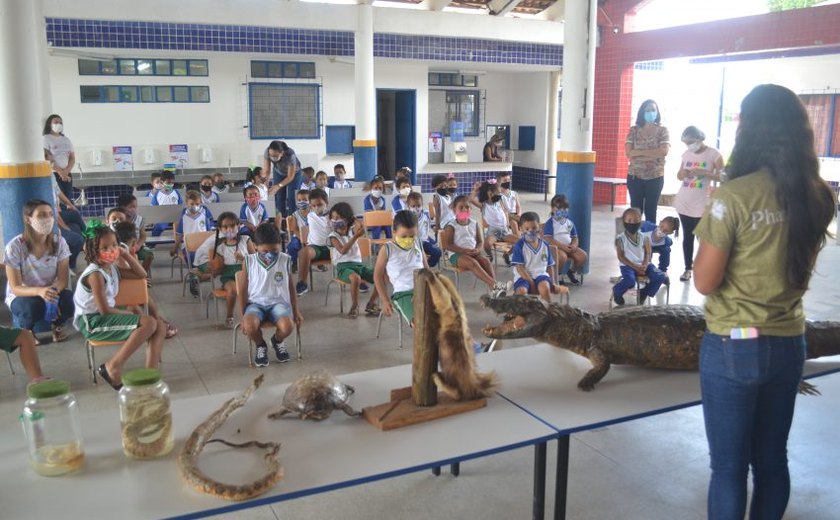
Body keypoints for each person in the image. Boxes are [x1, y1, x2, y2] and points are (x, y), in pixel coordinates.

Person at [692, 84, 836, 520]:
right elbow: (801, 272)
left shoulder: (733, 198)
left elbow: (703, 281)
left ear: (749, 130)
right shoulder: (817, 195)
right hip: (789, 341)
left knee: (729, 468)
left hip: (735, 342)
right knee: (772, 462)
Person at [73, 221, 166, 390]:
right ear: (94, 250)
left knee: (159, 326)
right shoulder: (95, 274)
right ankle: (112, 366)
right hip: (92, 322)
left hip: (104, 318)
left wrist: (125, 254)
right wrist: (130, 316)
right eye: (105, 247)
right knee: (149, 322)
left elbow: (142, 274)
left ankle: (150, 376)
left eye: (115, 245)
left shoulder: (112, 268)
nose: (111, 250)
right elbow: (104, 310)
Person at [4, 200, 75, 343]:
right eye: (41, 215)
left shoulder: (59, 243)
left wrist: (52, 292)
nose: (48, 219)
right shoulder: (15, 246)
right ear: (28, 219)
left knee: (70, 300)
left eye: (50, 214)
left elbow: (62, 279)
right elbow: (16, 288)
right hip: (24, 295)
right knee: (30, 307)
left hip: (51, 290)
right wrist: (40, 292)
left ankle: (58, 326)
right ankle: (28, 331)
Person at [237, 222, 302, 367]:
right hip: (255, 303)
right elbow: (242, 291)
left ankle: (277, 340)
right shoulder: (249, 261)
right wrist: (242, 316)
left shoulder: (285, 260)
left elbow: (291, 287)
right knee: (249, 326)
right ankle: (261, 345)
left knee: (287, 327)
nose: (270, 254)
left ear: (280, 244)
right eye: (265, 250)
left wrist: (296, 311)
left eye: (274, 250)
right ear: (255, 246)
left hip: (278, 303)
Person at [673, 126, 724, 282]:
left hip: (702, 202)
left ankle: (706, 268)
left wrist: (705, 173)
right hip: (685, 200)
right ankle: (688, 268)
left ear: (699, 139)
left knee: (702, 237)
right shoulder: (686, 154)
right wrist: (683, 173)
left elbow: (723, 177)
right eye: (686, 143)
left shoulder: (713, 154)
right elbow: (679, 176)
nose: (689, 145)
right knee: (687, 236)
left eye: (691, 142)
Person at [113, 221, 178, 339]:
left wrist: (134, 258)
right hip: (118, 301)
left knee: (142, 292)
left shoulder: (125, 253)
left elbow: (136, 275)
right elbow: (139, 275)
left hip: (123, 296)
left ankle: (156, 319)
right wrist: (140, 282)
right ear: (133, 242)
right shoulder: (121, 257)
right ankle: (155, 322)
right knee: (139, 299)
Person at [193, 212, 255, 329]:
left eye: (232, 226)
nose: (229, 229)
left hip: (246, 275)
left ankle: (249, 317)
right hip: (229, 276)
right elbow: (219, 269)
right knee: (232, 290)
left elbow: (256, 260)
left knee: (246, 291)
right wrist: (204, 273)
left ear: (238, 226)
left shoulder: (246, 240)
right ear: (220, 229)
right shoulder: (220, 247)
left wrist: (243, 259)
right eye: (225, 227)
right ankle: (229, 317)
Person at [440, 195, 508, 297]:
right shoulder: (451, 225)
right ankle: (494, 285)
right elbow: (448, 245)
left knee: (486, 261)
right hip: (456, 255)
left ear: (471, 209)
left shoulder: (474, 223)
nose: (464, 209)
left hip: (473, 252)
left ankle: (494, 290)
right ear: (454, 210)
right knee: (473, 263)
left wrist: (478, 249)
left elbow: (480, 241)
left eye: (467, 207)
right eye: (461, 207)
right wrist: (464, 251)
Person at [327, 202, 381, 319]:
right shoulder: (333, 236)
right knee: (355, 278)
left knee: (380, 277)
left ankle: (371, 304)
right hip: (343, 267)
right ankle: (355, 306)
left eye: (338, 218)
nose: (335, 221)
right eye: (333, 218)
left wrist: (354, 220)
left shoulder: (351, 230)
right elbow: (342, 251)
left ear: (346, 219)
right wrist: (356, 237)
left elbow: (360, 224)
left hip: (358, 265)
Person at [374, 209, 428, 323]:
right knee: (420, 323)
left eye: (412, 235)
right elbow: (378, 276)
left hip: (424, 288)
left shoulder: (418, 243)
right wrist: (385, 300)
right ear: (394, 232)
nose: (408, 240)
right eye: (403, 236)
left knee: (446, 316)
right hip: (403, 293)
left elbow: (427, 270)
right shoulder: (387, 249)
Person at [625, 99, 670, 222]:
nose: (651, 113)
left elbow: (663, 151)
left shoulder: (662, 131)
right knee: (635, 211)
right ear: (642, 112)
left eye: (653, 110)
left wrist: (639, 153)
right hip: (635, 177)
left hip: (655, 178)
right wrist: (653, 155)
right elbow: (629, 153)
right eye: (647, 110)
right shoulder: (633, 130)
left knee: (651, 211)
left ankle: (650, 239)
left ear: (657, 112)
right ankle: (635, 239)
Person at [612, 207, 666, 306]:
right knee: (630, 281)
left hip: (644, 265)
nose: (633, 223)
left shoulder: (645, 237)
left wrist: (644, 265)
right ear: (624, 222)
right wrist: (635, 267)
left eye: (636, 220)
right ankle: (617, 291)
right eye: (629, 220)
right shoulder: (621, 239)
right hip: (627, 266)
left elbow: (648, 253)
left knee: (660, 276)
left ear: (640, 222)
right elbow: (621, 257)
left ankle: (644, 293)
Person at [470, 180, 519, 265]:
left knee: (520, 241)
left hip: (504, 231)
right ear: (490, 193)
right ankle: (490, 256)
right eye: (498, 193)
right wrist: (476, 190)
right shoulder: (484, 205)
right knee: (487, 244)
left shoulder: (500, 201)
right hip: (493, 233)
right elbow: (471, 199)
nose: (500, 195)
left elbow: (506, 212)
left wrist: (507, 223)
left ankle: (507, 254)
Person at [543, 194, 587, 286]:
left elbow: (575, 237)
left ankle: (571, 272)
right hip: (555, 248)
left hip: (568, 247)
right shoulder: (550, 223)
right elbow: (548, 238)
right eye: (558, 209)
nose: (561, 212)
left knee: (583, 256)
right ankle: (557, 276)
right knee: (562, 257)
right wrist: (563, 247)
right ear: (552, 209)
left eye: (564, 209)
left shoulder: (569, 222)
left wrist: (574, 245)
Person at [511, 212, 556, 302]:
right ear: (521, 229)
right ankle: (521, 313)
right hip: (523, 277)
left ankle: (548, 311)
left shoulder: (545, 245)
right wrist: (532, 283)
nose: (531, 231)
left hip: (541, 275)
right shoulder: (519, 246)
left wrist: (552, 283)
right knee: (522, 292)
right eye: (527, 228)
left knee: (545, 288)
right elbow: (520, 268)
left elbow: (550, 267)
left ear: (539, 228)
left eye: (534, 228)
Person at [296, 188, 330, 296]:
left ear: (326, 203)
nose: (316, 208)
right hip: (316, 248)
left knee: (350, 249)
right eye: (313, 206)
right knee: (304, 252)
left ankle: (359, 280)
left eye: (320, 204)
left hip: (332, 248)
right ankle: (303, 283)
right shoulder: (310, 216)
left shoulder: (333, 215)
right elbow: (304, 229)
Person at [42, 114, 76, 205]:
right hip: (54, 173)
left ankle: (68, 217)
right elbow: (47, 157)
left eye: (60, 122)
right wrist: (61, 172)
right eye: (56, 122)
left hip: (66, 173)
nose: (59, 124)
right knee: (58, 200)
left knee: (68, 199)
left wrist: (66, 171)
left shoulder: (66, 140)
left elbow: (72, 158)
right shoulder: (46, 138)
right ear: (50, 124)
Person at [116, 193, 154, 274]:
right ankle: (124, 275)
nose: (134, 209)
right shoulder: (117, 219)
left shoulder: (139, 219)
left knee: (149, 254)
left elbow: (143, 236)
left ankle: (143, 275)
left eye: (135, 207)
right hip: (120, 248)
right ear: (122, 207)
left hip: (136, 247)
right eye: (131, 207)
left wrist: (138, 245)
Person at [263, 140, 302, 218]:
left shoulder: (290, 154)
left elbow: (290, 176)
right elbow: (266, 171)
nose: (273, 158)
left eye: (275, 156)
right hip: (278, 172)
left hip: (294, 174)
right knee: (279, 197)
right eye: (271, 156)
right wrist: (265, 186)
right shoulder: (267, 152)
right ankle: (281, 220)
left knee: (292, 197)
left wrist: (278, 185)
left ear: (282, 153)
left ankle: (292, 220)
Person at [406, 191, 441, 268]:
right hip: (412, 242)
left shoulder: (426, 213)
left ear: (422, 205)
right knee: (416, 255)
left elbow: (430, 224)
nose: (416, 208)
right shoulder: (406, 217)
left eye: (419, 205)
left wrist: (435, 228)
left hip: (425, 240)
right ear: (408, 206)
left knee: (438, 251)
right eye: (413, 206)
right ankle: (420, 266)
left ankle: (426, 266)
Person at [150, 171, 182, 236]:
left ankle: (182, 242)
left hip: (176, 217)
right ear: (162, 182)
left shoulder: (176, 193)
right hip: (164, 219)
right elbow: (153, 208)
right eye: (168, 183)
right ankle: (151, 245)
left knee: (183, 225)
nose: (170, 184)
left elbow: (181, 205)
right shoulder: (157, 195)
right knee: (157, 227)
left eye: (172, 183)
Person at [287, 189, 310, 272]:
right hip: (298, 236)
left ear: (310, 201)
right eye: (299, 200)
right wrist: (301, 238)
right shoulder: (295, 214)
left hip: (311, 237)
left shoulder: (313, 213)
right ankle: (295, 263)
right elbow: (294, 229)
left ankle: (319, 263)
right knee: (292, 246)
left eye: (305, 200)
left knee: (316, 245)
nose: (302, 202)